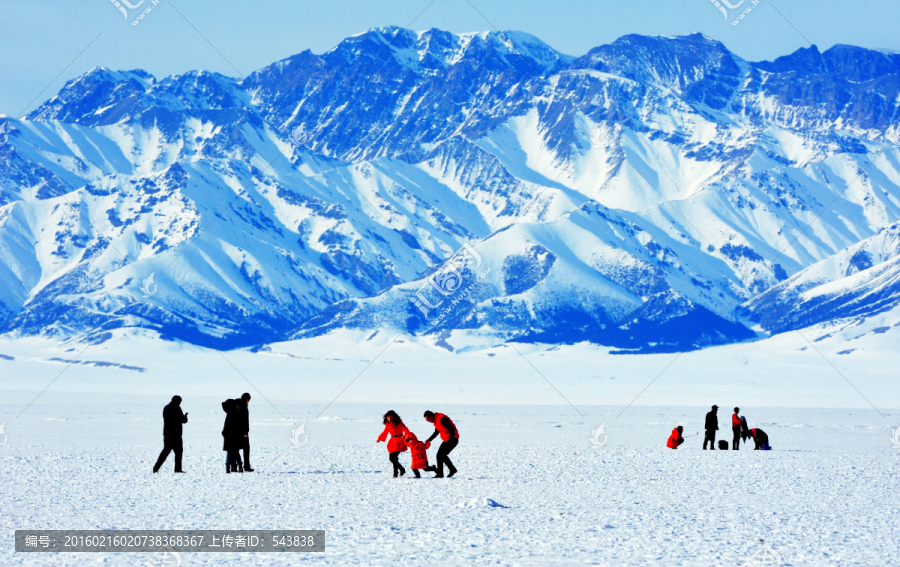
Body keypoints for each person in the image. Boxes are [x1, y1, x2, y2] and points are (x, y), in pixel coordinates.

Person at [153, 395, 188, 473]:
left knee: (165, 452)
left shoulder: (166, 408)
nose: (180, 403)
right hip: (176, 435)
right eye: (180, 402)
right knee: (178, 452)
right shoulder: (177, 408)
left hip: (167, 434)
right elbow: (182, 420)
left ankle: (156, 467)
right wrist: (185, 417)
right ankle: (178, 469)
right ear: (177, 401)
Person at [424, 410, 458, 478]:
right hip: (447, 439)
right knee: (440, 455)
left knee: (441, 455)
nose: (427, 421)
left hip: (452, 439)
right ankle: (447, 471)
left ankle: (446, 472)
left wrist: (451, 440)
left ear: (430, 416)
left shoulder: (441, 418)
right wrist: (429, 440)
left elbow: (451, 429)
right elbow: (436, 432)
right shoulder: (436, 421)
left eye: (427, 419)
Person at [377, 410, 409, 477]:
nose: (389, 419)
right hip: (392, 441)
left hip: (400, 441)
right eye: (388, 417)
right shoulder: (388, 423)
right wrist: (379, 438)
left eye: (391, 417)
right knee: (391, 458)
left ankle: (395, 474)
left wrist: (406, 436)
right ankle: (402, 469)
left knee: (394, 458)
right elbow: (385, 432)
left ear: (394, 417)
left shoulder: (399, 422)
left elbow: (405, 429)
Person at [222, 398, 243, 473]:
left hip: (229, 436)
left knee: (229, 452)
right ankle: (240, 466)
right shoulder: (237, 412)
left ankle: (228, 467)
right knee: (236, 452)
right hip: (236, 435)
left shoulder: (229, 413)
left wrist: (224, 433)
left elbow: (226, 425)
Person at [236, 393, 254, 472]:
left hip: (234, 430)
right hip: (242, 432)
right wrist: (245, 432)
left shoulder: (235, 405)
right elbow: (245, 420)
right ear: (247, 399)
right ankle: (246, 466)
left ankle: (233, 466)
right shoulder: (244, 406)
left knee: (235, 449)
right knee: (246, 449)